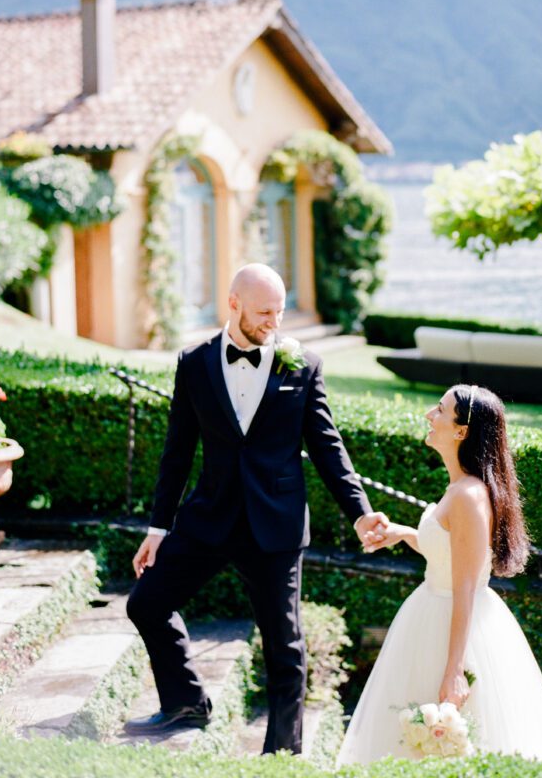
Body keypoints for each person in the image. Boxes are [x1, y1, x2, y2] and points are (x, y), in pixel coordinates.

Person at [125, 263, 388, 754]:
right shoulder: (194, 362)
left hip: (276, 526)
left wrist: (360, 512)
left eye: (280, 312)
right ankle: (186, 701)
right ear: (234, 304)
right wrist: (159, 527)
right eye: (264, 311)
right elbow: (177, 451)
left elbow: (328, 448)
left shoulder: (302, 364)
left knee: (284, 648)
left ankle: (282, 754)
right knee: (146, 603)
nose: (274, 322)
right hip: (210, 519)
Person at [338, 384, 542, 764]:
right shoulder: (461, 488)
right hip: (434, 612)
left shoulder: (468, 495)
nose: (429, 416)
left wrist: (454, 671)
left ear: (461, 431)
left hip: (453, 622)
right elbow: (451, 553)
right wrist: (404, 534)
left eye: (440, 410)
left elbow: (464, 585)